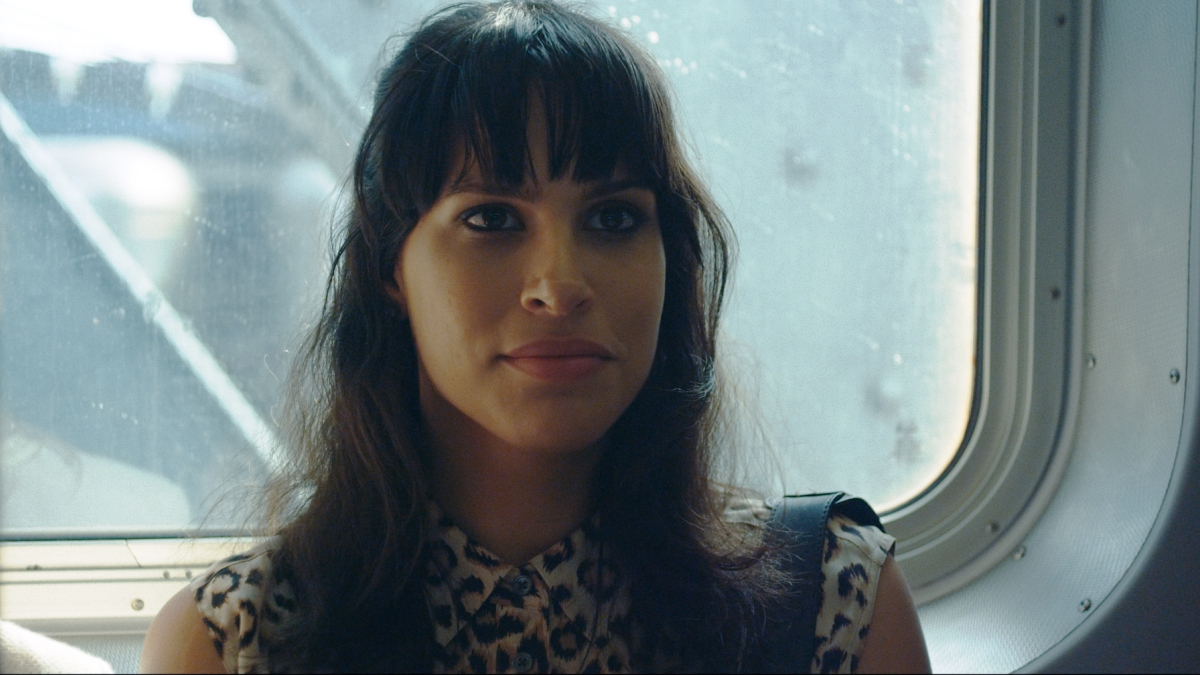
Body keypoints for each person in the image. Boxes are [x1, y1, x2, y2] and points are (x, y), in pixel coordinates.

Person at [140, 1, 931, 672]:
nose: (559, 284)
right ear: (390, 264)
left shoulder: (832, 598)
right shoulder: (236, 641)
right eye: (491, 218)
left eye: (614, 217)